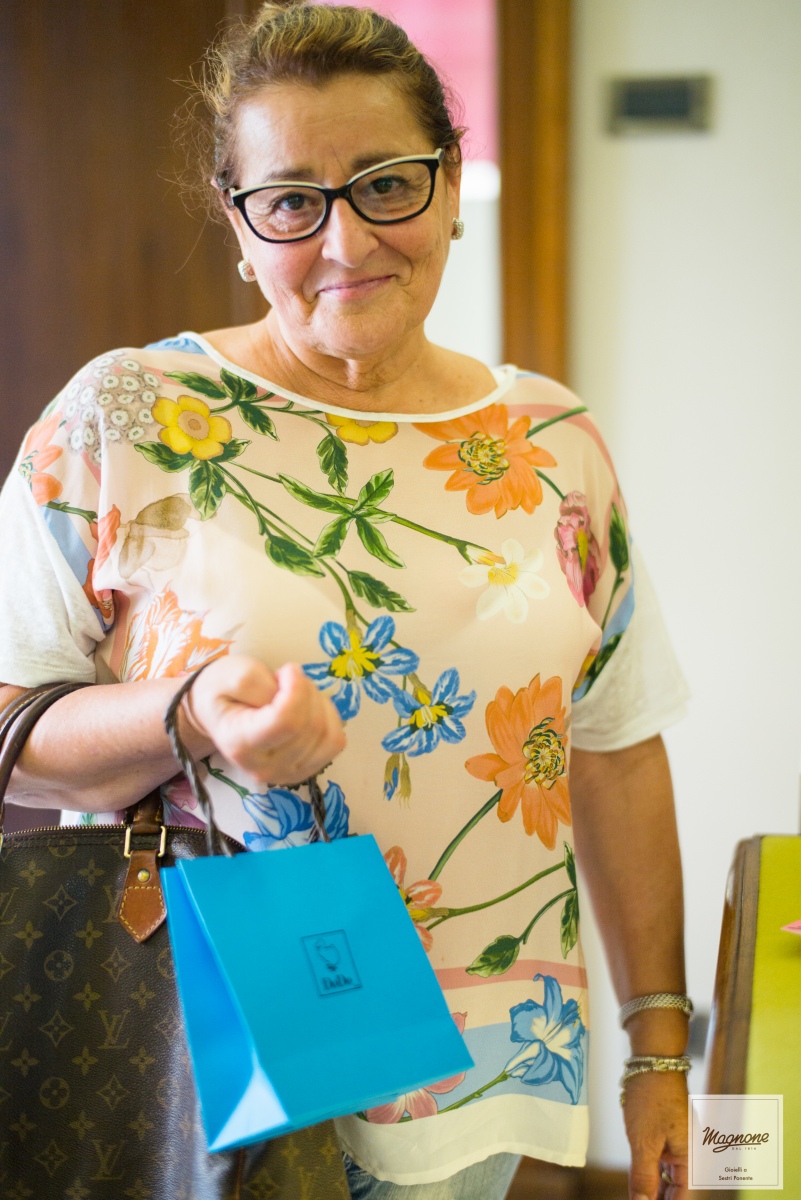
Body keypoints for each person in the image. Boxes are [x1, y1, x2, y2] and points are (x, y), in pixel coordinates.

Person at [0, 2, 692, 1198]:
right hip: (212, 1065)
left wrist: (660, 1050)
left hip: (489, 1063)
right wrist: (189, 714)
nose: (345, 239)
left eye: (386, 184)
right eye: (291, 201)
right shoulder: (125, 415)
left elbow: (616, 750)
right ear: (237, 221)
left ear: (449, 182)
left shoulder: (551, 440)